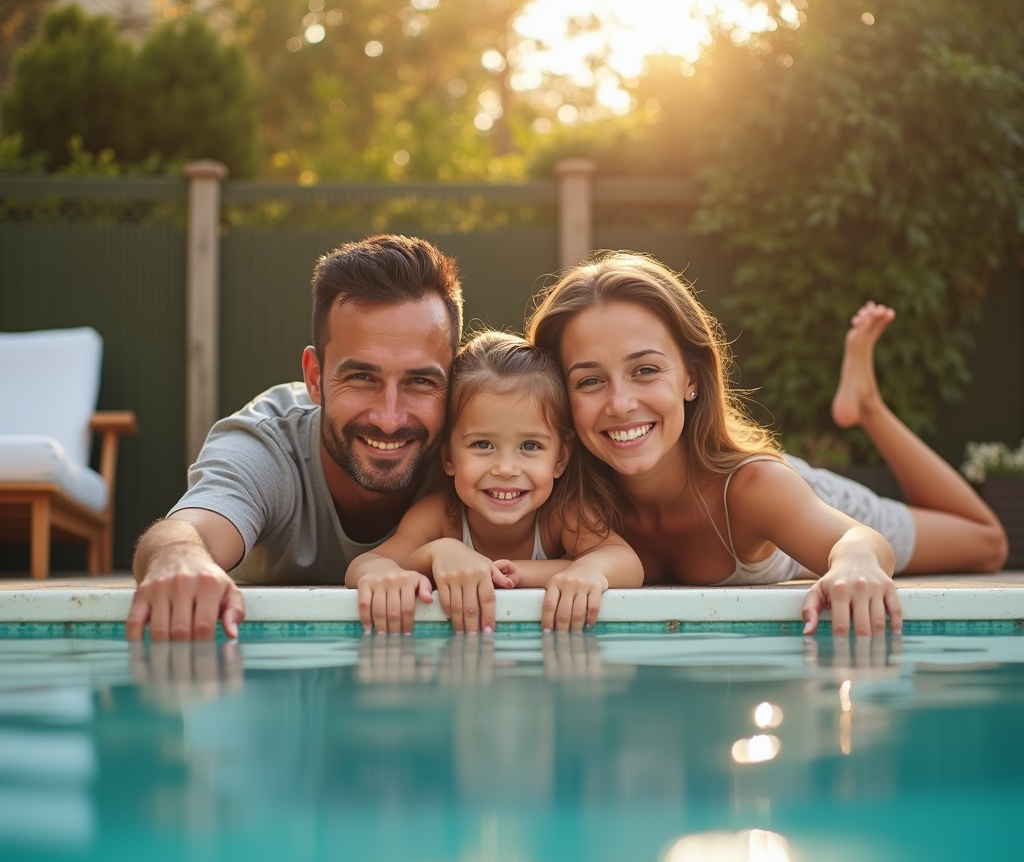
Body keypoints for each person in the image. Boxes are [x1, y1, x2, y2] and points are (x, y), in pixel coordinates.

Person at [526, 251, 1009, 638]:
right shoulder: (566, 500)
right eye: (590, 381)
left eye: (645, 370)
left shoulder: (754, 486)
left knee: (986, 543)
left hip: (811, 495)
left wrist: (854, 562)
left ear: (692, 378)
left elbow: (859, 540)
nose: (621, 402)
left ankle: (868, 407)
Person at [126, 234, 464, 642]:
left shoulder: (478, 450)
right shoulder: (266, 446)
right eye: (361, 377)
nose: (389, 419)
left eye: (420, 381)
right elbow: (188, 530)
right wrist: (179, 558)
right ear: (315, 378)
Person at [345, 331, 644, 636]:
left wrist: (587, 571)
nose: (505, 469)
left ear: (560, 459)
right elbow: (367, 564)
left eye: (529, 446)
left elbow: (626, 562)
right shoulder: (439, 517)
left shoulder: (560, 514)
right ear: (448, 456)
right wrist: (438, 553)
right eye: (483, 445)